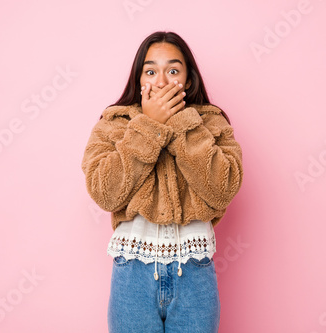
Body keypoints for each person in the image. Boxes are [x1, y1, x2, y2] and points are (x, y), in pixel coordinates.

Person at [82, 31, 243, 333]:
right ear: (139, 79)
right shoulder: (114, 124)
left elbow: (222, 189)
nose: (161, 81)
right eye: (151, 71)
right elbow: (104, 192)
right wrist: (149, 125)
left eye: (173, 71)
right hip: (132, 274)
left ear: (189, 80)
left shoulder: (212, 123)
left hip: (195, 273)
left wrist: (182, 123)